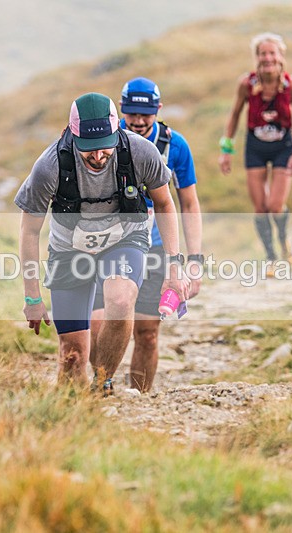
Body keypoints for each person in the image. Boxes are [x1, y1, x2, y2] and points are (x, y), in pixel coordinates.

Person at [14, 92, 189, 392]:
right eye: (88, 150)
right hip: (69, 250)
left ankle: (103, 381)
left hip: (124, 239)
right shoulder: (50, 166)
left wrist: (175, 267)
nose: (97, 156)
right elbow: (29, 231)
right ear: (72, 135)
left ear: (117, 132)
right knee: (73, 355)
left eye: (104, 147)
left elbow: (165, 204)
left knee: (121, 301)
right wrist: (32, 297)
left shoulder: (141, 152)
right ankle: (74, 416)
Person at [90, 77, 203, 393]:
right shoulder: (103, 143)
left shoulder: (174, 146)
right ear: (120, 110)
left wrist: (193, 260)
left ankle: (137, 398)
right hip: (106, 245)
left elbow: (189, 203)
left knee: (148, 332)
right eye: (131, 114)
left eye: (146, 115)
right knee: (97, 327)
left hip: (154, 247)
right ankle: (102, 382)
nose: (138, 122)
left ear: (159, 110)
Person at [218, 32, 292, 270]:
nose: (267, 57)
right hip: (255, 148)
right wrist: (226, 150)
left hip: (283, 148)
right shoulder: (246, 84)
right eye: (262, 53)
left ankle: (284, 241)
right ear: (256, 58)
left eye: (272, 53)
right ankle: (271, 257)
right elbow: (234, 116)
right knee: (260, 207)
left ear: (280, 57)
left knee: (276, 205)